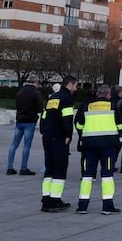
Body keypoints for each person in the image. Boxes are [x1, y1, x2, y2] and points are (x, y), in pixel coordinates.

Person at [74, 83, 122, 215]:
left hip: (89, 145)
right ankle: (107, 206)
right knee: (107, 175)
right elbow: (121, 125)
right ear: (108, 95)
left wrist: (85, 134)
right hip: (108, 146)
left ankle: (82, 206)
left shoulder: (86, 106)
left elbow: (78, 125)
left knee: (87, 176)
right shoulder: (113, 106)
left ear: (97, 94)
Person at [40, 75, 77, 212]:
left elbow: (43, 117)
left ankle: (46, 199)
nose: (76, 88)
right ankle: (55, 200)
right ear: (70, 84)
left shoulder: (52, 97)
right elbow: (67, 118)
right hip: (59, 137)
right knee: (60, 169)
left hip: (47, 136)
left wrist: (44, 132)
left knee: (49, 168)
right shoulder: (67, 98)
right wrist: (68, 135)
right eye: (76, 85)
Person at [7, 81, 43, 175]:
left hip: (19, 120)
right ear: (36, 83)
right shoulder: (36, 92)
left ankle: (9, 167)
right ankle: (23, 168)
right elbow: (40, 107)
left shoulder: (20, 91)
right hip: (30, 121)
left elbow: (17, 105)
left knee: (14, 144)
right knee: (26, 146)